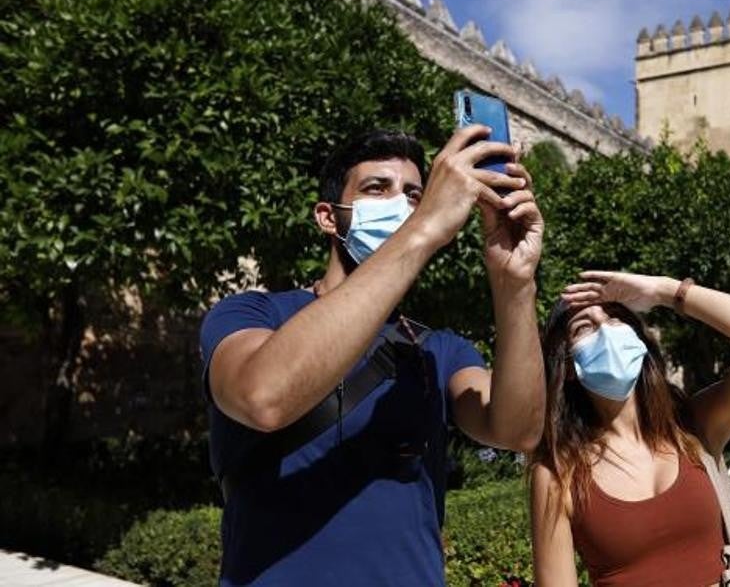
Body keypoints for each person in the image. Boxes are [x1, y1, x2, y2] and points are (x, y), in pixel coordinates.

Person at [199, 127, 546, 586]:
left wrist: (514, 283)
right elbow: (263, 396)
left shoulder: (437, 350)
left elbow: (518, 431)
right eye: (377, 188)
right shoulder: (253, 314)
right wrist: (423, 228)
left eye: (414, 195)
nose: (401, 205)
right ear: (328, 217)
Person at [530, 271, 730, 587]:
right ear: (567, 366)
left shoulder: (692, 425)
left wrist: (665, 291)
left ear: (638, 340)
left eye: (616, 318)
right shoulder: (558, 473)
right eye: (584, 327)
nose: (605, 330)